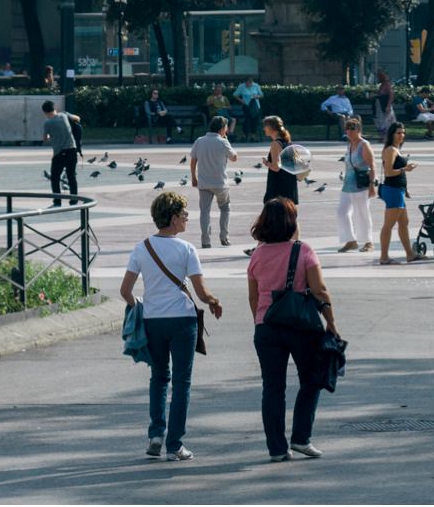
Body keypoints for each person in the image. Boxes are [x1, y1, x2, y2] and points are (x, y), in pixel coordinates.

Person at [119, 192, 225, 461]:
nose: (187, 218)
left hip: (153, 321)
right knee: (181, 382)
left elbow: (125, 290)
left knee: (159, 377)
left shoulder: (142, 248)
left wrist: (138, 305)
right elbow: (200, 292)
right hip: (182, 321)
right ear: (174, 217)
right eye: (185, 214)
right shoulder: (186, 249)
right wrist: (213, 301)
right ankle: (175, 444)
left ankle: (156, 434)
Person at [246, 197, 339, 462]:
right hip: (301, 325)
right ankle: (301, 438)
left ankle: (277, 448)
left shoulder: (257, 255)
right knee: (311, 380)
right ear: (291, 222)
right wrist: (331, 321)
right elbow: (319, 290)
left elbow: (253, 296)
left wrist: (259, 321)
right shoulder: (304, 251)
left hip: (266, 325)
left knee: (272, 388)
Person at [189, 116, 239, 248]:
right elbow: (234, 158)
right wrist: (228, 142)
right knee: (225, 208)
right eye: (226, 127)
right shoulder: (223, 142)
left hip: (204, 183)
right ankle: (224, 237)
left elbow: (193, 160)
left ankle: (205, 240)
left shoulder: (199, 141)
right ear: (222, 128)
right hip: (220, 183)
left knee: (204, 211)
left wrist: (193, 177)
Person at [377, 122, 420, 264]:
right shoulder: (390, 150)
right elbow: (389, 172)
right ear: (392, 134)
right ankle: (384, 257)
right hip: (393, 190)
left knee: (404, 222)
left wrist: (405, 188)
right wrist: (405, 169)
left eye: (403, 132)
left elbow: (397, 172)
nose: (402, 135)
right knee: (388, 225)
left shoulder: (396, 149)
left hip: (398, 190)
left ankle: (410, 254)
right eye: (398, 133)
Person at [335, 117, 377, 253]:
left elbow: (372, 165)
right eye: (347, 128)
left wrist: (372, 185)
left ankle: (368, 242)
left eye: (353, 128)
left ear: (359, 130)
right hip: (347, 184)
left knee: (362, 212)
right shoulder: (349, 145)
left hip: (361, 184)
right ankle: (350, 240)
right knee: (342, 212)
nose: (349, 131)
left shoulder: (364, 144)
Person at [42, 100, 82, 208]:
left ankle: (57, 201)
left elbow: (45, 139)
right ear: (55, 109)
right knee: (71, 175)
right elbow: (78, 118)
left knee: (55, 177)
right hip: (72, 150)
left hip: (59, 153)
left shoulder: (47, 123)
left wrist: (52, 136)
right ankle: (74, 201)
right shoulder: (64, 115)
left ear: (45, 112)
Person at [262, 116, 300, 209]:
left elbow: (276, 167)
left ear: (271, 128)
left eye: (265, 126)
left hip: (279, 184)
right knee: (288, 213)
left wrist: (266, 162)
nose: (264, 128)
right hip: (289, 182)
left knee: (276, 214)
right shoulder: (288, 141)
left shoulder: (275, 144)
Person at [373, 71, 396, 138]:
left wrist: (388, 106)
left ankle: (387, 136)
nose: (377, 78)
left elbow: (391, 95)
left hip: (385, 106)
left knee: (387, 121)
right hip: (380, 106)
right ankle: (383, 136)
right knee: (381, 121)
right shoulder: (382, 85)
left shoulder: (387, 84)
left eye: (379, 76)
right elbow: (380, 95)